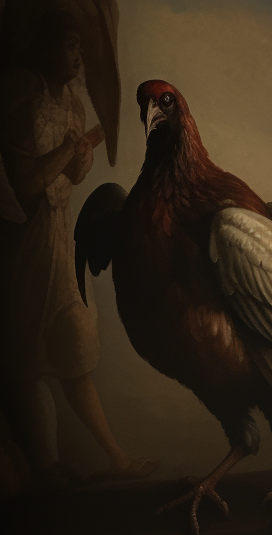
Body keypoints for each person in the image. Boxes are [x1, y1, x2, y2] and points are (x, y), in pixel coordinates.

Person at [0, 7, 155, 487]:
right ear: (45, 46)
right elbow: (24, 185)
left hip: (59, 233)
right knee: (26, 352)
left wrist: (81, 157)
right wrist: (70, 151)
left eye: (80, 47)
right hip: (23, 239)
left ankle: (112, 456)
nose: (79, 55)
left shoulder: (74, 103)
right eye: (70, 44)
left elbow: (72, 176)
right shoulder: (18, 90)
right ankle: (48, 466)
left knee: (73, 339)